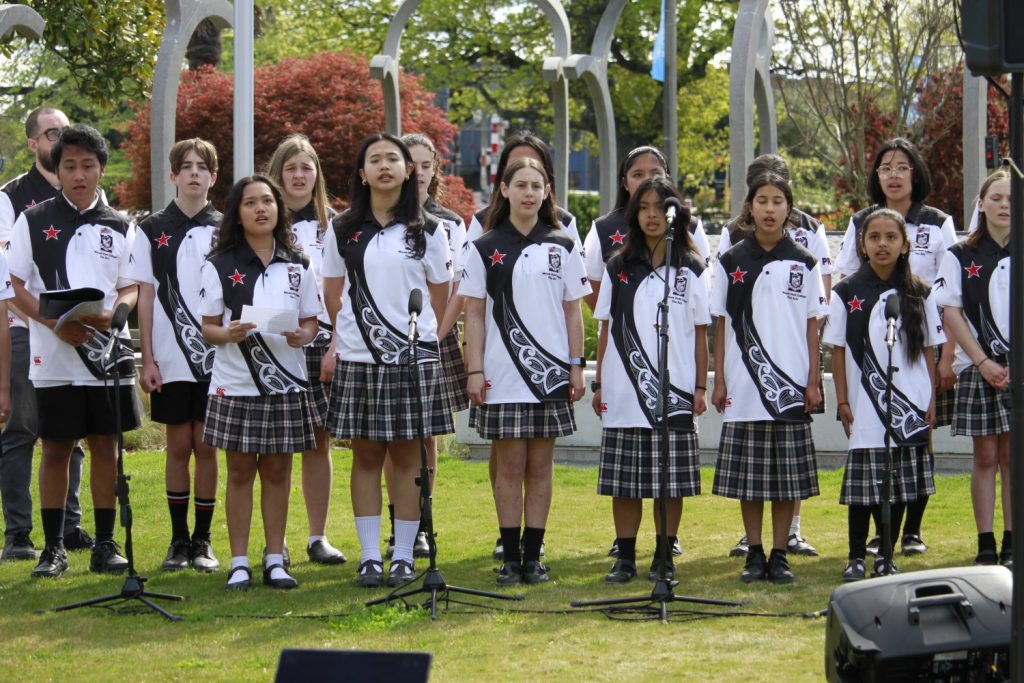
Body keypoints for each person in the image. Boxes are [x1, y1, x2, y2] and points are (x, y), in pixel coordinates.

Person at [8, 124, 140, 578]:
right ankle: (53, 548)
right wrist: (52, 324)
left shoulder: (122, 225)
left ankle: (105, 544)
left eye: (87, 165)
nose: (79, 174)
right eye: (69, 166)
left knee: (106, 447)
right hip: (54, 353)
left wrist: (115, 316)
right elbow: (14, 287)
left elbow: (130, 288)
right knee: (57, 447)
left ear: (101, 169)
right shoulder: (33, 219)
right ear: (57, 170)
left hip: (108, 353)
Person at [321, 133, 453, 588]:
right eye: (374, 159)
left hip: (413, 358)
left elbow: (439, 295)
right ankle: (370, 555)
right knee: (366, 457)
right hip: (359, 359)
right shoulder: (341, 230)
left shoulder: (428, 230)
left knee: (408, 459)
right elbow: (333, 295)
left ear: (409, 170)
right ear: (362, 173)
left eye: (392, 159)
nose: (384, 166)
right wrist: (344, 343)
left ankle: (403, 554)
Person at [461, 156, 589, 585]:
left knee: (540, 467)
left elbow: (574, 312)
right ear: (504, 190)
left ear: (547, 191)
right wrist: (474, 370)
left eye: (538, 185)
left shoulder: (564, 245)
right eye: (521, 185)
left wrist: (575, 366)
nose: (530, 193)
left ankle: (533, 556)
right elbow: (474, 314)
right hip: (502, 375)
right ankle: (510, 556)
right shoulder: (483, 246)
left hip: (552, 376)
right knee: (509, 467)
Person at [580, 144, 707, 560]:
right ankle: (628, 553)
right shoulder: (618, 267)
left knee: (670, 480)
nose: (652, 214)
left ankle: (664, 553)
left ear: (675, 213)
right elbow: (606, 326)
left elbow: (701, 333)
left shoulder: (691, 267)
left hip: (676, 388)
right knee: (625, 480)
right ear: (633, 213)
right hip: (623, 388)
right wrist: (600, 383)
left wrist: (701, 387)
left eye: (661, 206)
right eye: (644, 207)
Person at [836, 139, 956, 558]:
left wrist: (946, 357)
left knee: (918, 439)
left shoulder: (938, 222)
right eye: (884, 166)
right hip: (869, 352)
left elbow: (950, 293)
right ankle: (875, 536)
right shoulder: (860, 221)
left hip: (923, 346)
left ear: (914, 173)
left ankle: (911, 531)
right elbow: (845, 277)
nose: (892, 174)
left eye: (902, 166)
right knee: (872, 446)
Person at [200, 175, 320, 591]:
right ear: (237, 212)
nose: (261, 209)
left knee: (276, 470)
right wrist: (228, 333)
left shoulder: (298, 263)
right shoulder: (219, 264)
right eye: (251, 203)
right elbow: (208, 328)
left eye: (268, 201)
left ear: (279, 209)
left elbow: (310, 320)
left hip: (286, 382)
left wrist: (305, 335)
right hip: (236, 383)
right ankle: (238, 561)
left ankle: (274, 558)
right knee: (238, 472)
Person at [710, 171, 826, 584]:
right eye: (762, 200)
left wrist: (814, 380)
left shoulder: (805, 261)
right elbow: (720, 323)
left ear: (788, 209)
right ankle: (754, 552)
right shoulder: (731, 261)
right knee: (751, 476)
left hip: (791, 384)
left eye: (778, 200)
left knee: (786, 476)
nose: (770, 208)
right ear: (750, 207)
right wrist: (719, 379)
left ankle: (780, 553)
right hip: (743, 384)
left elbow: (814, 325)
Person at [824, 208, 941, 580]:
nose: (882, 244)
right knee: (863, 487)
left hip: (911, 401)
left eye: (891, 237)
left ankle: (885, 553)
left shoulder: (920, 292)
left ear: (905, 245)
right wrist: (843, 400)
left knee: (900, 485)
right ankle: (856, 554)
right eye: (874, 237)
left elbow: (929, 350)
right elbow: (838, 350)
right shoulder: (846, 291)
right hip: (865, 405)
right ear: (862, 243)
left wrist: (932, 398)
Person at [0, 106, 92, 561]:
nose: (59, 141)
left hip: (77, 330)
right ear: (34, 143)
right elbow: (8, 277)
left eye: (63, 132)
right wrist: (48, 319)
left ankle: (69, 526)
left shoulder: (89, 193)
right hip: (23, 327)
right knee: (21, 430)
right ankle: (18, 532)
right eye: (50, 134)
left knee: (71, 434)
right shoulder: (10, 197)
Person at [129, 138, 222, 572]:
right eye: (185, 167)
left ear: (213, 177)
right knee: (178, 445)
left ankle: (203, 540)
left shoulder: (227, 227)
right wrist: (147, 358)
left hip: (217, 357)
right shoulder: (150, 229)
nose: (193, 174)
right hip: (168, 356)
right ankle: (177, 539)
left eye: (202, 167)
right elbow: (145, 297)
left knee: (207, 445)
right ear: (173, 176)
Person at [376, 133, 468, 559]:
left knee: (425, 436)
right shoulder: (378, 219)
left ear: (433, 170)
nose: (417, 172)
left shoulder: (448, 222)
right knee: (393, 438)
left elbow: (457, 287)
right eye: (410, 163)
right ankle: (399, 523)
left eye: (425, 164)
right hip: (390, 339)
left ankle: (423, 522)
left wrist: (437, 331)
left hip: (435, 337)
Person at [266, 134, 347, 566]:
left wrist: (335, 344)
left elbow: (345, 293)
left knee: (319, 442)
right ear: (277, 174)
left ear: (317, 175)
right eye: (291, 168)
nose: (299, 176)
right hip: (274, 346)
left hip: (323, 346)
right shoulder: (259, 219)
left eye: (307, 168)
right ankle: (273, 544)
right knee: (274, 447)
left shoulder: (336, 225)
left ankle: (317, 536)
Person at [934, 168, 1013, 567]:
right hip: (980, 369)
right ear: (981, 205)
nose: (1004, 206)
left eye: (1012, 199)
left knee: (1012, 458)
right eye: (997, 198)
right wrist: (981, 362)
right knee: (984, 457)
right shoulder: (960, 255)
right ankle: (986, 542)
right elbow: (951, 311)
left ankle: (1013, 541)